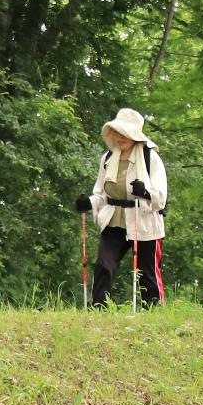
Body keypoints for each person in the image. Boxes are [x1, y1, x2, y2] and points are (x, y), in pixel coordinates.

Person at [76, 107, 168, 307]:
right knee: (104, 264)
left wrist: (145, 192)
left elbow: (160, 198)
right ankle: (99, 308)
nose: (120, 137)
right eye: (117, 132)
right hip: (114, 219)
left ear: (135, 135)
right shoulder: (108, 158)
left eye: (125, 133)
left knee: (147, 272)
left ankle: (153, 312)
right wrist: (88, 203)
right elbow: (101, 193)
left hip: (143, 221)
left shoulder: (150, 158)